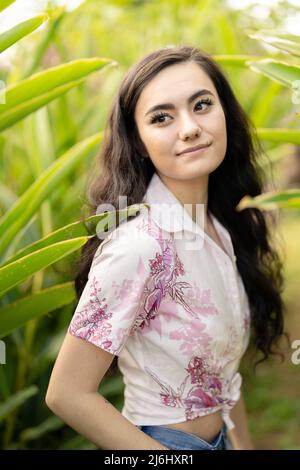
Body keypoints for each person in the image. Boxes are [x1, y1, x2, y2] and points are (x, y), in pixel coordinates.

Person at [45, 45, 287, 450]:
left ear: (224, 113)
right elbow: (67, 393)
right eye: (162, 117)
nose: (189, 128)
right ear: (139, 142)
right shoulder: (140, 246)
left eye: (202, 105)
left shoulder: (221, 229)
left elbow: (223, 378)